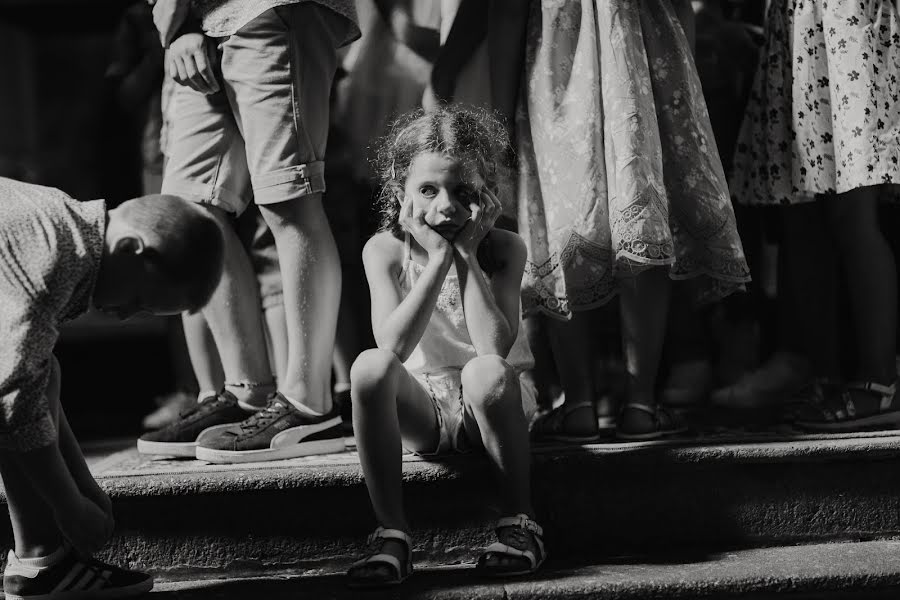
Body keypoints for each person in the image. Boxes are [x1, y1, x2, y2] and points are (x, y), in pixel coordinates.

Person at [517, 0, 751, 441]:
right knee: (640, 210)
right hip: (644, 54)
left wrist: (503, 97)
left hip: (555, 65)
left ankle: (579, 403)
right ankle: (641, 403)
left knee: (566, 213)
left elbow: (505, 14)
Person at [142, 0, 361, 462]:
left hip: (267, 7)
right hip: (197, 24)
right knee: (192, 211)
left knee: (289, 197)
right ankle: (248, 396)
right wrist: (178, 27)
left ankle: (310, 404)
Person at [346, 107, 544, 588]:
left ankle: (520, 523)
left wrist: (467, 255)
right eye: (429, 191)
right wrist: (437, 258)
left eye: (464, 192)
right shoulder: (385, 250)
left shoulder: (505, 248)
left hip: (494, 403)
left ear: (487, 195)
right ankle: (391, 532)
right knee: (369, 367)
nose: (447, 207)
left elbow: (494, 347)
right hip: (425, 405)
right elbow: (391, 346)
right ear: (401, 195)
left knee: (486, 372)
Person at [0, 177, 224, 599]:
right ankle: (41, 559)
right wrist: (70, 507)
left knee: (39, 373)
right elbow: (12, 396)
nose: (124, 316)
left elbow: (36, 376)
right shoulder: (54, 256)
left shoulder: (63, 225)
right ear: (131, 249)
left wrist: (84, 487)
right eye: (138, 301)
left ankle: (42, 562)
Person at [728, 0, 900, 431]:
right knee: (801, 212)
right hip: (800, 28)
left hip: (844, 26)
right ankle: (826, 376)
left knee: (851, 214)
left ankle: (881, 382)